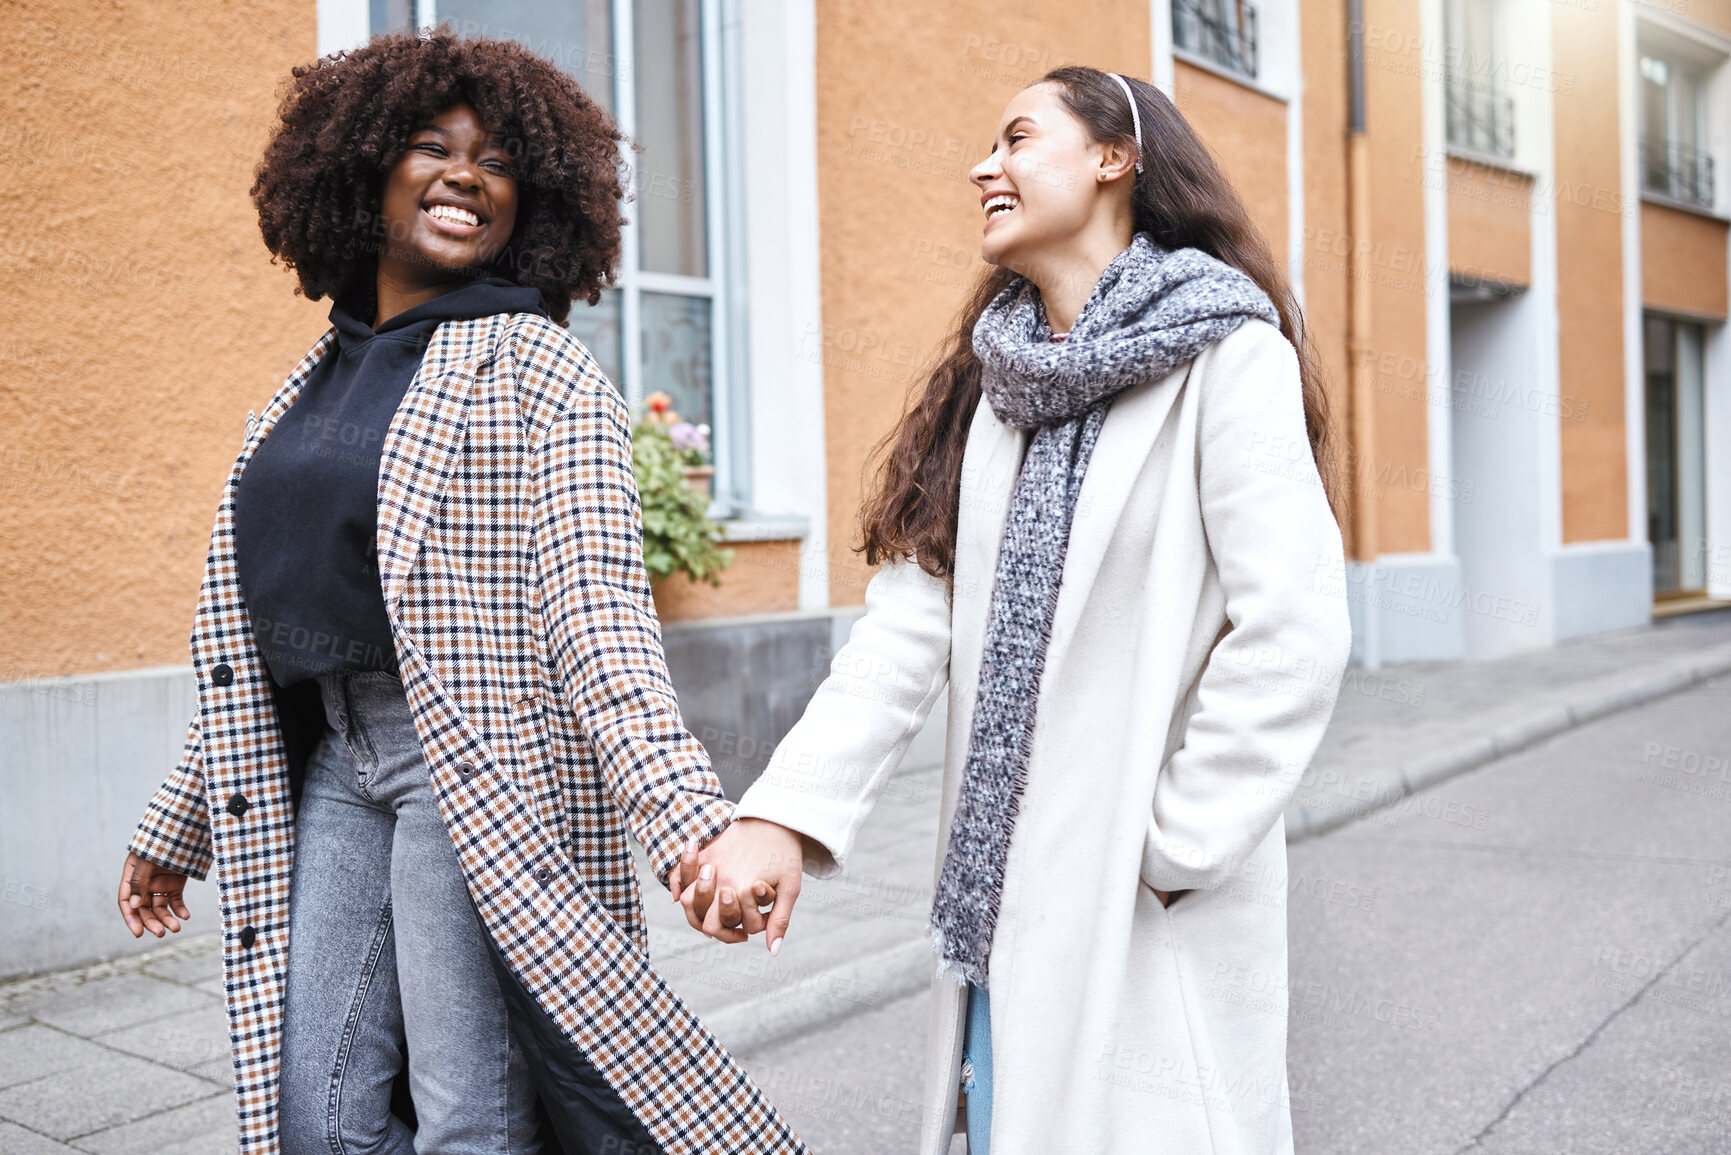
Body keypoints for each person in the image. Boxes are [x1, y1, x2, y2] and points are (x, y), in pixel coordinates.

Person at [114, 29, 803, 1155]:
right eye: (431, 146)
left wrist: (690, 827)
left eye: (496, 160)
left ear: (530, 201)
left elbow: (600, 622)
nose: (466, 175)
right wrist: (178, 820)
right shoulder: (316, 374)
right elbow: (263, 627)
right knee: (317, 1117)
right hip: (336, 763)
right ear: (361, 172)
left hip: (473, 768)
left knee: (467, 1120)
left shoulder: (539, 369)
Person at [679, 66, 1352, 1154]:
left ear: (1114, 156)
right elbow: (906, 631)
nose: (983, 166)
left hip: (1142, 896)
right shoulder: (993, 388)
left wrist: (1172, 851)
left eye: (1018, 139)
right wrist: (779, 819)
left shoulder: (1230, 356)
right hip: (1004, 903)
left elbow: (1294, 628)